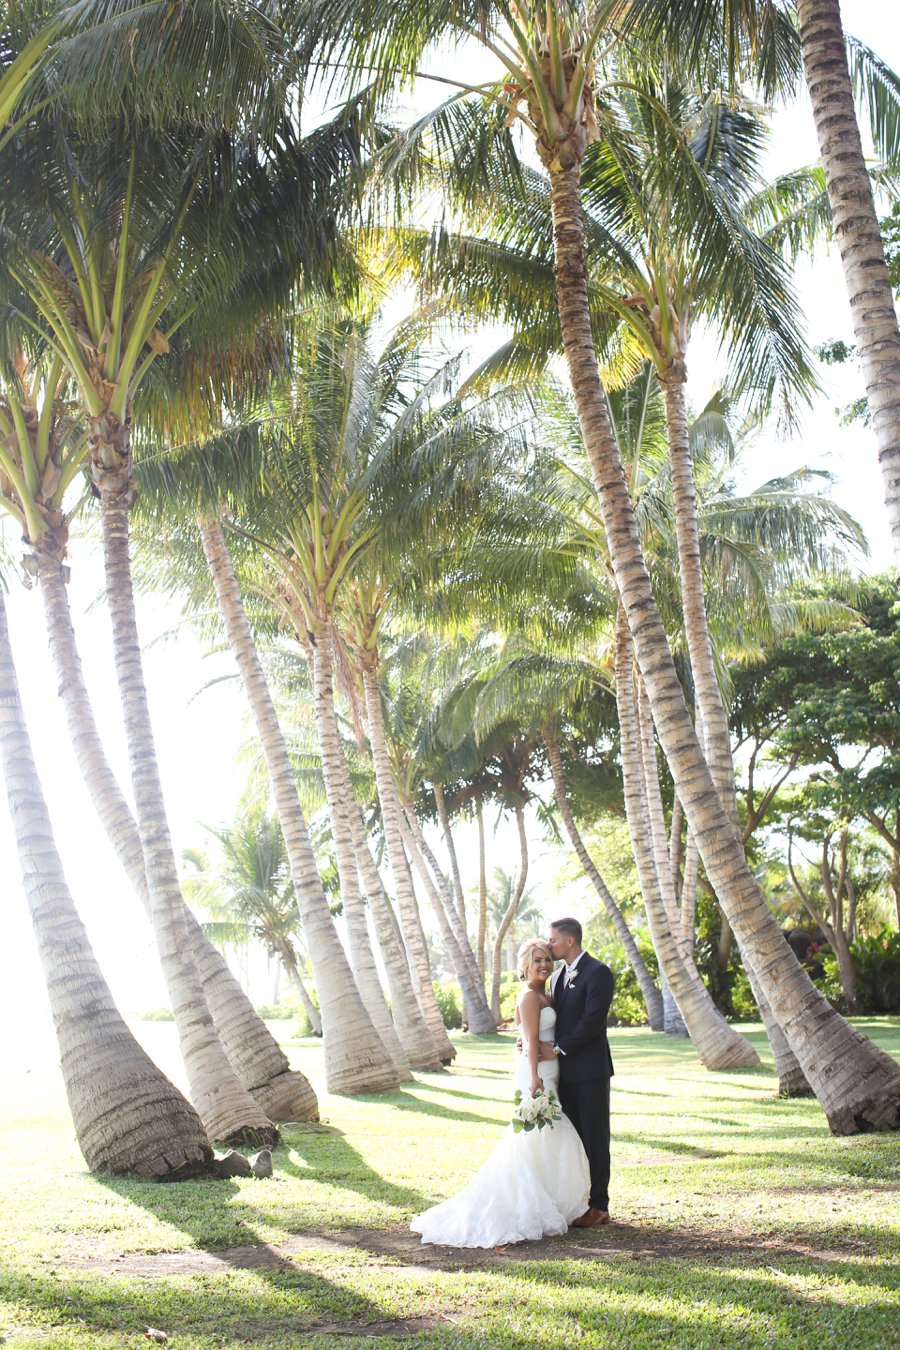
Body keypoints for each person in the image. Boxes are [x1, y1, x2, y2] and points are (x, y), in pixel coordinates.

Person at [410, 938, 589, 1248]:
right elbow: (531, 1040)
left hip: (550, 1069)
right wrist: (533, 1077)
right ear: (524, 966)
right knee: (534, 1135)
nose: (544, 965)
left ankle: (548, 1198)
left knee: (545, 1135)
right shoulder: (530, 998)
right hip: (537, 1073)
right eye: (537, 961)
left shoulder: (545, 993)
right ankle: (525, 1203)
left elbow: (532, 1036)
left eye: (547, 959)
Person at [541, 917, 615, 1227]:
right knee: (572, 1139)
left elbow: (592, 1021)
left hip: (590, 1071)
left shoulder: (599, 972)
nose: (549, 945)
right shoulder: (557, 977)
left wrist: (558, 1049)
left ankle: (599, 1205)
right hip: (563, 1073)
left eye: (553, 940)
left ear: (570, 941)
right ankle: (577, 1200)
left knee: (595, 1138)